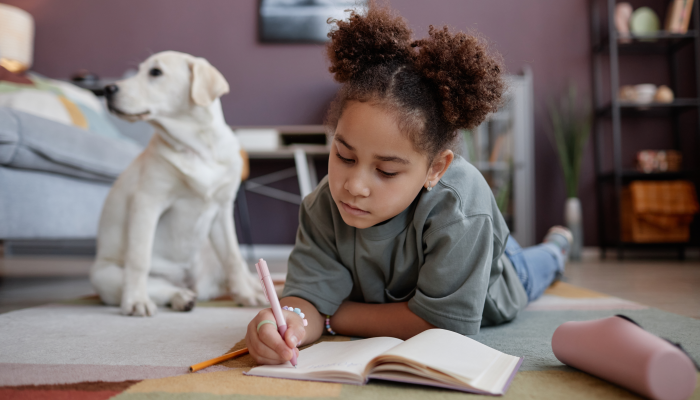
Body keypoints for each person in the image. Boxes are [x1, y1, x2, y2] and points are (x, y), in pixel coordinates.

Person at [245, 1, 573, 365]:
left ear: (435, 169)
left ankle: (557, 246)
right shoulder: (324, 205)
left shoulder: (461, 207)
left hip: (500, 276)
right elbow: (305, 300)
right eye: (344, 156)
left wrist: (329, 316)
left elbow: (442, 326)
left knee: (537, 267)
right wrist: (288, 321)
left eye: (386, 171)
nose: (354, 186)